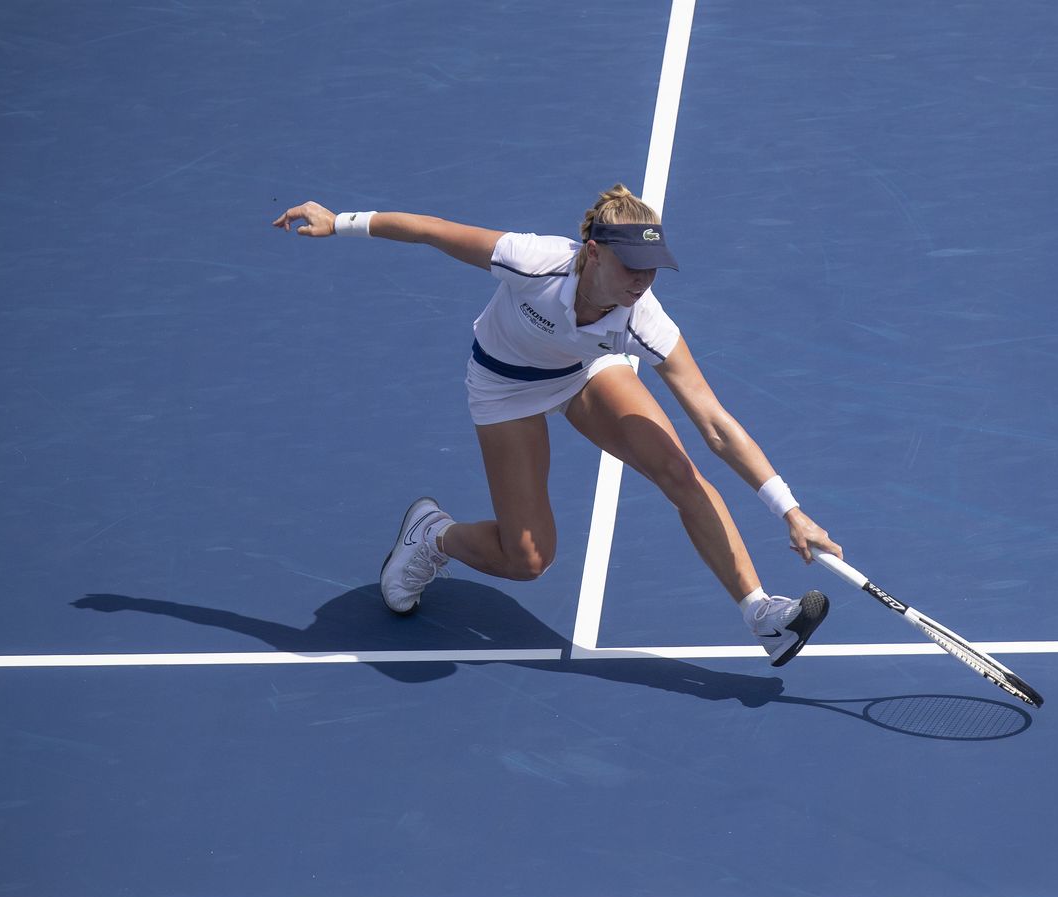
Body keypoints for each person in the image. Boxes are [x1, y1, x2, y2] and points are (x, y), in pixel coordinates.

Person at [272, 185, 843, 666]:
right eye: (631, 267)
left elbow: (714, 424)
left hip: (583, 371)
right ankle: (432, 535)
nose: (643, 282)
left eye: (653, 270)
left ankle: (761, 613)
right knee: (528, 561)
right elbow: (430, 229)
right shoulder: (530, 259)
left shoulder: (643, 321)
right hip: (505, 387)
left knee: (678, 469)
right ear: (593, 253)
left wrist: (789, 510)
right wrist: (339, 221)